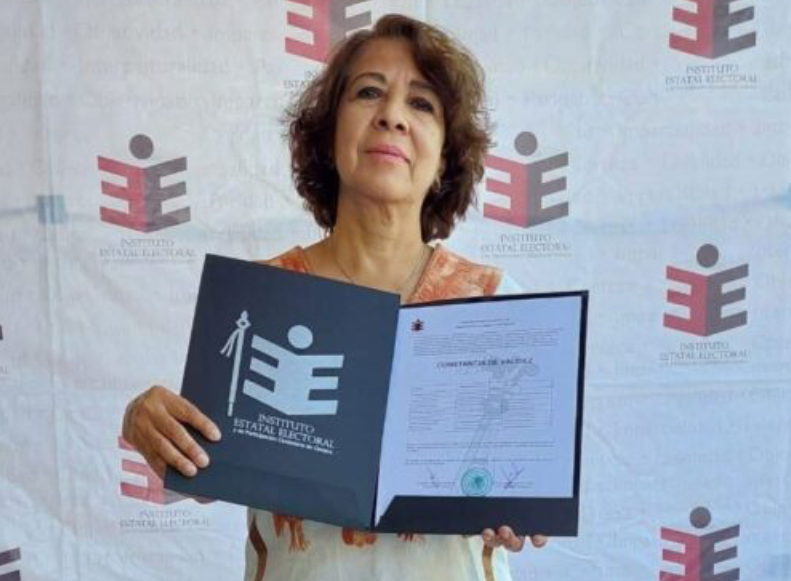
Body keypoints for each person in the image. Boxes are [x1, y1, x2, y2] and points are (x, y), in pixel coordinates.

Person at [121, 14, 541, 581]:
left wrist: (524, 503)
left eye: (422, 104)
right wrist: (144, 420)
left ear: (445, 155)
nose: (392, 115)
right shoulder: (261, 299)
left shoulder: (493, 304)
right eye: (368, 92)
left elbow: (521, 487)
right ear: (328, 134)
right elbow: (198, 467)